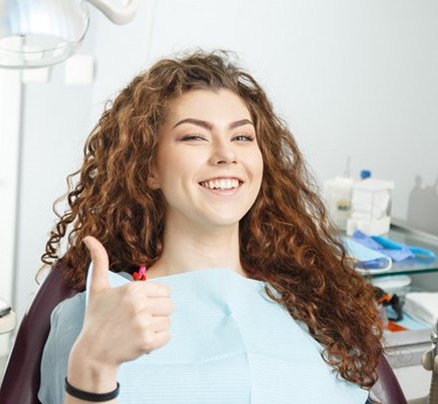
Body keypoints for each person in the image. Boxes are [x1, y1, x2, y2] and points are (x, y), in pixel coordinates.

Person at [38, 50, 383, 403]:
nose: (226, 154)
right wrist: (93, 365)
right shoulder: (97, 314)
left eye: (242, 138)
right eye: (194, 137)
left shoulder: (316, 305)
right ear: (149, 169)